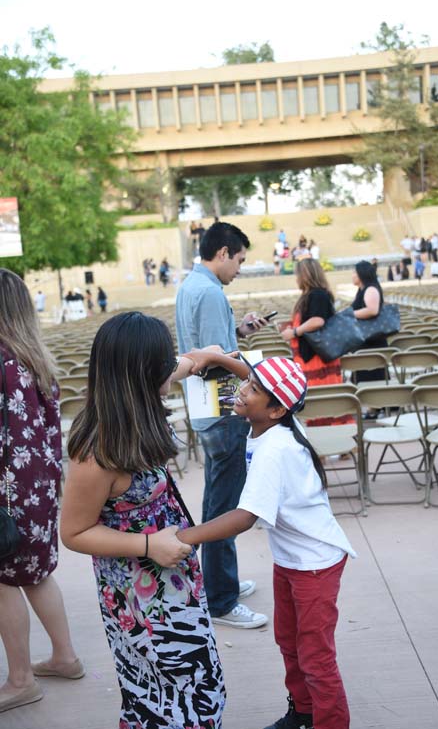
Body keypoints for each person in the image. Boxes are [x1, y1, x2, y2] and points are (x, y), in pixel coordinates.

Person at [60, 312, 236, 728]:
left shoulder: (137, 400)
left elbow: (187, 362)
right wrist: (147, 545)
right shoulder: (96, 451)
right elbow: (73, 532)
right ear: (140, 374)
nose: (171, 371)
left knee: (196, 678)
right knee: (163, 693)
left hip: (173, 574)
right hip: (139, 594)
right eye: (163, 364)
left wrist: (208, 355)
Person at [176, 355, 356, 729]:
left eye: (253, 390)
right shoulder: (278, 420)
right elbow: (264, 384)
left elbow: (244, 517)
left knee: (316, 657)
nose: (242, 390)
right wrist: (220, 359)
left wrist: (185, 537)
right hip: (292, 560)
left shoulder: (276, 448)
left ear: (274, 409)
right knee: (289, 642)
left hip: (315, 565)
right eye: (248, 382)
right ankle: (304, 713)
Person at [176, 221, 269, 629]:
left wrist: (239, 332)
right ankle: (221, 599)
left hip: (206, 409)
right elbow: (217, 360)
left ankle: (220, 581)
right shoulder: (211, 292)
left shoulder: (190, 286)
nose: (239, 269)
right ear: (223, 252)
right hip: (223, 408)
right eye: (240, 260)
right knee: (224, 507)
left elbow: (207, 350)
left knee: (219, 500)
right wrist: (248, 365)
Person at [0, 269, 83, 715]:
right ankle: (65, 657)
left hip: (7, 493)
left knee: (2, 580)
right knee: (35, 573)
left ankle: (20, 680)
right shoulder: (35, 359)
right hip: (39, 486)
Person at [280, 258, 352, 427]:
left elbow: (318, 321)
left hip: (316, 357)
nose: (296, 278)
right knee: (319, 402)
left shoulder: (317, 294)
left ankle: (337, 442)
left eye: (298, 274)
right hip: (309, 355)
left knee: (324, 401)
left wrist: (294, 331)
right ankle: (329, 443)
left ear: (306, 275)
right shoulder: (312, 295)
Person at [352, 260, 388, 419]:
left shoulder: (371, 289)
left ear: (362, 274)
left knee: (373, 373)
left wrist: (349, 314)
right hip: (365, 339)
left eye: (355, 272)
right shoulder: (362, 289)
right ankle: (374, 407)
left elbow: (372, 310)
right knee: (366, 373)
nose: (352, 275)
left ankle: (376, 407)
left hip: (372, 341)